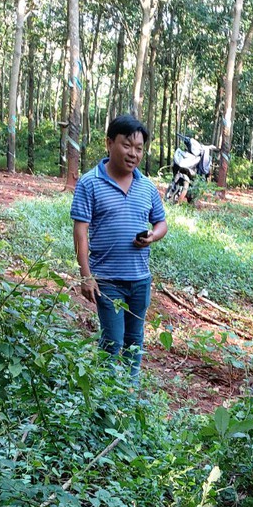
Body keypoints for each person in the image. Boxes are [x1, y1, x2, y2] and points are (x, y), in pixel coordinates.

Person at [71, 114, 167, 385]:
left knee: (134, 340)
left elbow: (161, 223)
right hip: (107, 281)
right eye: (127, 145)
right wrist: (85, 275)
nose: (133, 154)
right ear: (109, 143)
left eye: (139, 148)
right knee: (112, 340)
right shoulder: (90, 183)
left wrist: (152, 236)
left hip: (139, 280)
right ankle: (104, 395)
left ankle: (129, 391)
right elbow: (80, 231)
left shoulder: (147, 187)